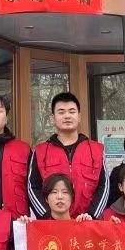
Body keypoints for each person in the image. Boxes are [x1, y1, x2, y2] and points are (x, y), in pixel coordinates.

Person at [27, 93, 108, 221]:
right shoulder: (41, 151)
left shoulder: (96, 150)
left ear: (79, 116)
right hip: (52, 224)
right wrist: (47, 216)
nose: (67, 116)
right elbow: (33, 188)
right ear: (53, 118)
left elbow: (104, 186)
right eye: (61, 112)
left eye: (72, 111)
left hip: (87, 223)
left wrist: (91, 216)